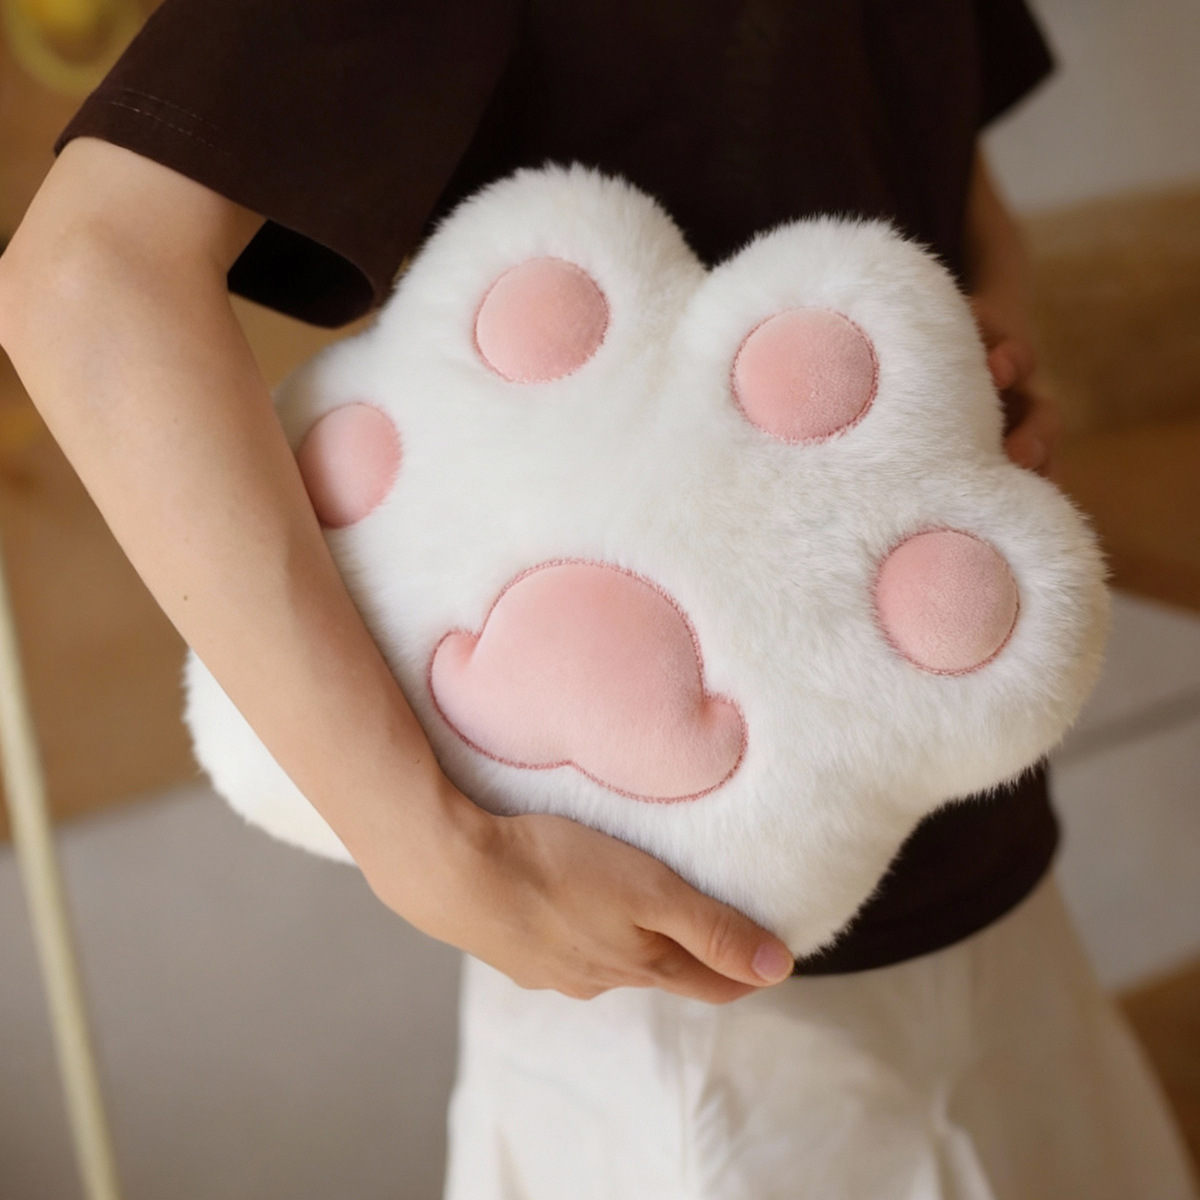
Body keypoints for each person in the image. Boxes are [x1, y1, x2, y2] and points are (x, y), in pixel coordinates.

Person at [0, 1, 1194, 1195]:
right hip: (686, 1002)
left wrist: (979, 356)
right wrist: (432, 851)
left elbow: (938, 160)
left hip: (991, 880)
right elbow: (88, 273)